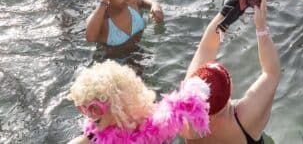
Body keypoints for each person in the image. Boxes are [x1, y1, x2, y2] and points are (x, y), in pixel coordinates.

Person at [183, 0, 280, 143]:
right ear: (231, 87)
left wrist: (225, 13)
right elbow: (271, 73)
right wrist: (261, 26)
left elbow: (205, 48)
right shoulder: (246, 119)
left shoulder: (185, 120)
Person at [68, 60, 211, 144]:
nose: (89, 115)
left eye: (94, 108)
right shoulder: (93, 137)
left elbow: (193, 134)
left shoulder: (154, 123)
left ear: (117, 104)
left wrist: (193, 97)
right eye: (83, 109)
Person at [84, 0, 164, 58]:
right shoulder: (100, 21)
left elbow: (144, 1)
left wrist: (155, 5)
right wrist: (103, 2)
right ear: (107, 0)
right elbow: (90, 38)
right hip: (117, 63)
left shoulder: (131, 0)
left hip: (143, 53)